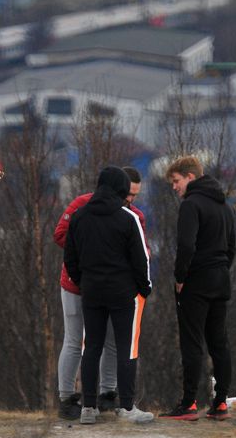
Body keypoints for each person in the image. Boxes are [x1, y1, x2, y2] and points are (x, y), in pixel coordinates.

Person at [53, 167, 147, 419]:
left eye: (136, 195)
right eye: (129, 193)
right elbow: (62, 236)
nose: (131, 199)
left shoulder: (122, 213)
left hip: (89, 286)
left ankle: (98, 400)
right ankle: (68, 397)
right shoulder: (87, 207)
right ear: (119, 188)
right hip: (85, 287)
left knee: (101, 344)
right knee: (78, 341)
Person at [159, 155, 236, 423]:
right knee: (219, 343)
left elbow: (186, 246)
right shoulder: (224, 205)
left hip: (196, 282)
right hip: (220, 280)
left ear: (190, 177)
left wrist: (181, 277)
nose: (174, 187)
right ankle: (221, 403)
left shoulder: (191, 205)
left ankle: (188, 403)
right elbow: (231, 248)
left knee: (192, 342)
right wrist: (221, 269)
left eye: (176, 181)